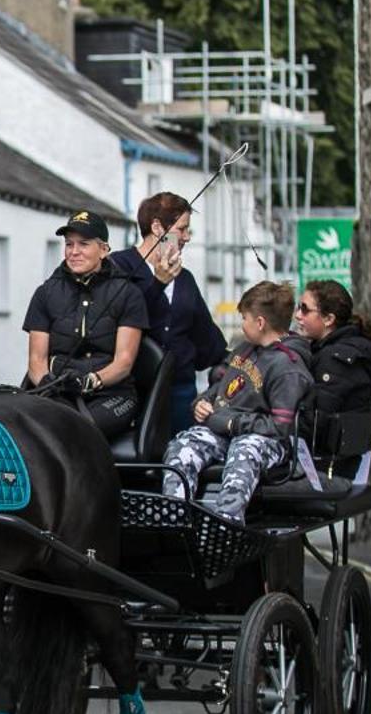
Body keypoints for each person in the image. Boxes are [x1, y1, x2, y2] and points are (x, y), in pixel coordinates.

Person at [160, 281, 312, 523]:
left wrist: (230, 423)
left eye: (244, 318)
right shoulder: (244, 350)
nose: (242, 324)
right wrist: (202, 403)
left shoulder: (288, 368)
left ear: (260, 323)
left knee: (245, 449)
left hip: (269, 443)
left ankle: (226, 528)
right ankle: (176, 524)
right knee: (184, 445)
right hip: (225, 431)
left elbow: (280, 428)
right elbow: (219, 388)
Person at [23, 209, 148, 438]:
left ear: (103, 250)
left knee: (76, 429)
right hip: (56, 392)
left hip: (112, 395)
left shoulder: (129, 294)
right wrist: (50, 386)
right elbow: (36, 361)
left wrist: (90, 381)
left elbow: (124, 362)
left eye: (83, 244)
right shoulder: (45, 293)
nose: (74, 252)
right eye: (69, 244)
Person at [108, 191, 229, 429]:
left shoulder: (185, 278)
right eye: (181, 229)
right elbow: (120, 316)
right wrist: (157, 284)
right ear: (156, 227)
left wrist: (238, 358)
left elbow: (205, 336)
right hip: (134, 390)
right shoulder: (119, 266)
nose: (186, 237)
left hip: (180, 389)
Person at [294, 279, 371, 448]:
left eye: (305, 309)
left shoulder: (336, 360)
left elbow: (316, 422)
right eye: (298, 307)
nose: (298, 315)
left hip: (330, 467)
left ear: (328, 319)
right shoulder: (332, 351)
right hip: (334, 465)